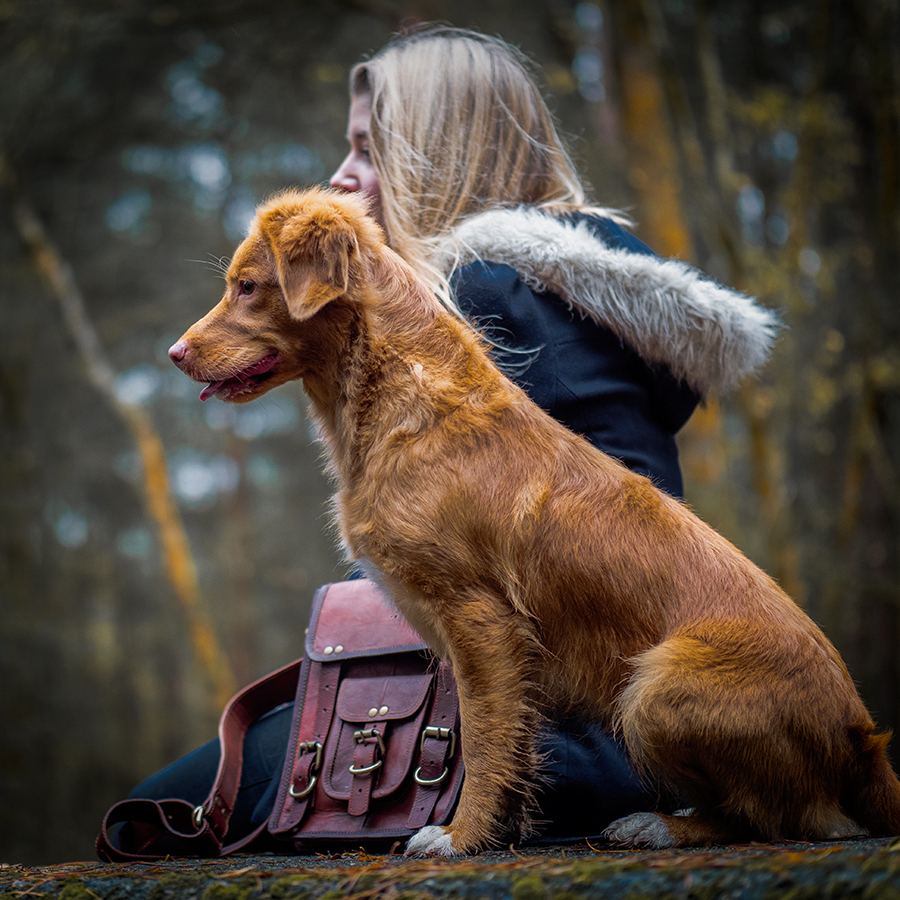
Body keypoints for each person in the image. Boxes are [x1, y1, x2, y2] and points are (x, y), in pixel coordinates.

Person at [118, 24, 778, 853]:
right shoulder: (573, 291)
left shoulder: (477, 299)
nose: (342, 174)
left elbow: (471, 590)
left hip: (555, 739)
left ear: (437, 152)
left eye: (366, 147)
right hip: (623, 729)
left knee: (156, 815)